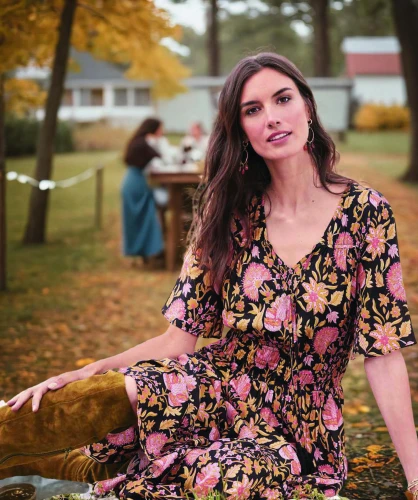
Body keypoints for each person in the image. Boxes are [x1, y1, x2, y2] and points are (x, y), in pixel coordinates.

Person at [1, 52, 418, 500]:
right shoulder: (228, 216)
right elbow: (177, 341)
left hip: (299, 424)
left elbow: (384, 352)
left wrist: (415, 477)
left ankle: (104, 480)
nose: (272, 118)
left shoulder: (365, 213)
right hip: (216, 386)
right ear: (240, 130)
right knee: (117, 392)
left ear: (308, 108)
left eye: (282, 99)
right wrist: (83, 373)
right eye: (252, 110)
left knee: (227, 479)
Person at [121, 117, 166, 265]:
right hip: (136, 183)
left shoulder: (138, 141)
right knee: (143, 219)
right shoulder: (143, 143)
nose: (162, 131)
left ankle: (148, 252)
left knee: (142, 219)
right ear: (153, 129)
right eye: (160, 128)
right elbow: (159, 156)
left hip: (134, 181)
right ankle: (149, 251)